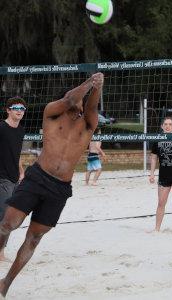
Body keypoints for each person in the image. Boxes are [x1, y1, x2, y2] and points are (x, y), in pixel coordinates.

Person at [0, 72, 104, 297]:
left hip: (59, 189)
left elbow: (92, 108)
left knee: (34, 238)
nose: (79, 100)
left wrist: (97, 87)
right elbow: (68, 100)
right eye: (76, 95)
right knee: (9, 224)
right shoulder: (52, 114)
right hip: (37, 178)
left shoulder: (88, 124)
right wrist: (88, 83)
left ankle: (6, 282)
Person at [0, 97, 26, 261]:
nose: (19, 110)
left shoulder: (20, 130)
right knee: (5, 216)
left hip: (14, 178)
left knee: (9, 216)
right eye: (15, 107)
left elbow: (16, 155)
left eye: (22, 108)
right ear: (8, 110)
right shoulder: (1, 127)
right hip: (1, 178)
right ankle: (0, 253)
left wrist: (21, 172)